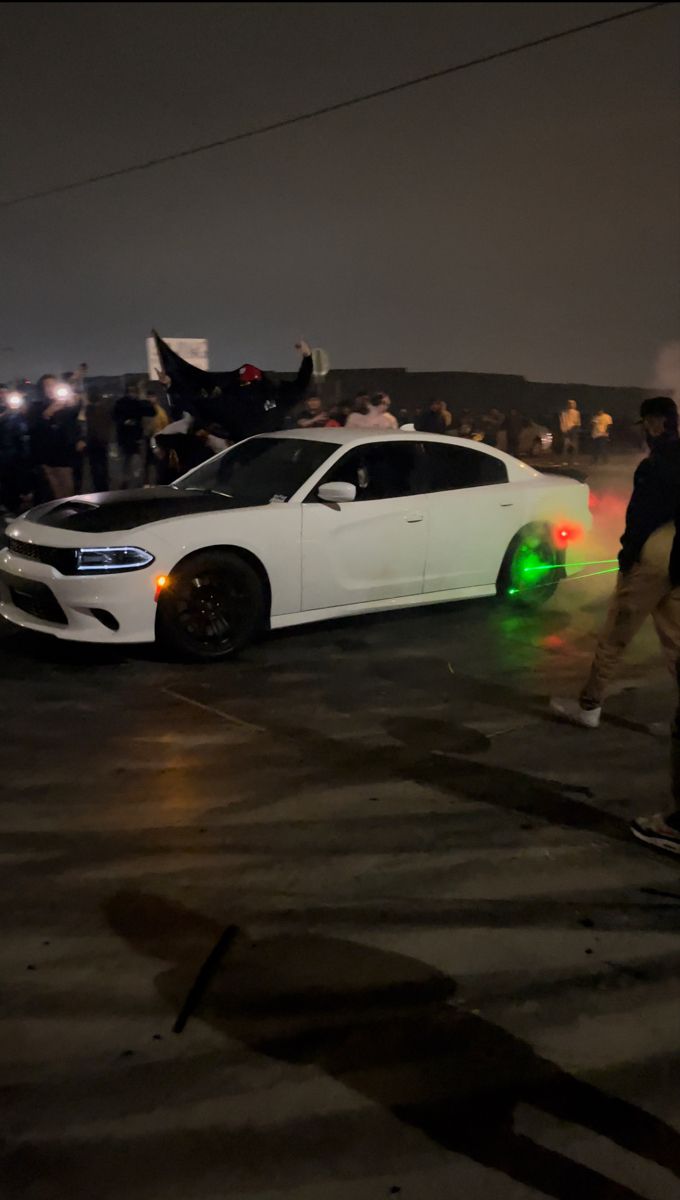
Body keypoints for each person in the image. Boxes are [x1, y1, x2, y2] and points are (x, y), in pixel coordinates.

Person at [551, 396, 680, 730]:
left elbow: (640, 518)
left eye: (647, 424)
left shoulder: (654, 466)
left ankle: (589, 706)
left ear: (656, 423)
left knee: (615, 635)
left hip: (653, 558)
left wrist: (628, 556)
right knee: (677, 641)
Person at [29, 374, 82, 499]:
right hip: (46, 456)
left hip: (65, 455)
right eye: (46, 385)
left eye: (53, 385)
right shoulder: (37, 406)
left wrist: (75, 403)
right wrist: (48, 413)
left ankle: (70, 515)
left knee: (68, 490)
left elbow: (76, 423)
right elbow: (33, 428)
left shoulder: (66, 405)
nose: (50, 388)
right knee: (53, 492)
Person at [113, 383, 155, 488]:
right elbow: (115, 416)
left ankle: (134, 482)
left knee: (133, 462)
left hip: (134, 437)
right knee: (127, 462)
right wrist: (124, 422)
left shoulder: (137, 403)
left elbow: (151, 412)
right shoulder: (122, 403)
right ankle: (128, 482)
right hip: (128, 436)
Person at [0, 386, 31, 513]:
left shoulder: (18, 409)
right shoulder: (6, 411)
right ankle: (9, 505)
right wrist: (7, 412)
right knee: (6, 480)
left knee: (21, 478)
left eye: (4, 392)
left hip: (21, 449)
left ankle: (21, 503)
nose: (2, 395)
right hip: (4, 450)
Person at [84, 387, 113, 492]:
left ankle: (98, 487)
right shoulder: (105, 409)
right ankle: (104, 486)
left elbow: (88, 426)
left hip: (93, 441)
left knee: (94, 467)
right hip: (103, 440)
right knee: (103, 465)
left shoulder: (89, 410)